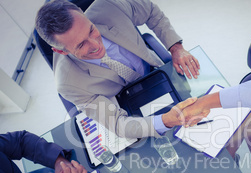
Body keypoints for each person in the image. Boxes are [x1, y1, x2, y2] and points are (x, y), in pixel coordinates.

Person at [35, 0, 201, 140]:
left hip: (156, 74)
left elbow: (151, 12)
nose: (96, 45)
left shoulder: (110, 6)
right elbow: (118, 124)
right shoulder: (67, 84)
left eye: (91, 30)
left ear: (83, 14)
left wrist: (175, 47)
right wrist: (165, 121)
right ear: (61, 51)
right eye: (80, 45)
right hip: (126, 105)